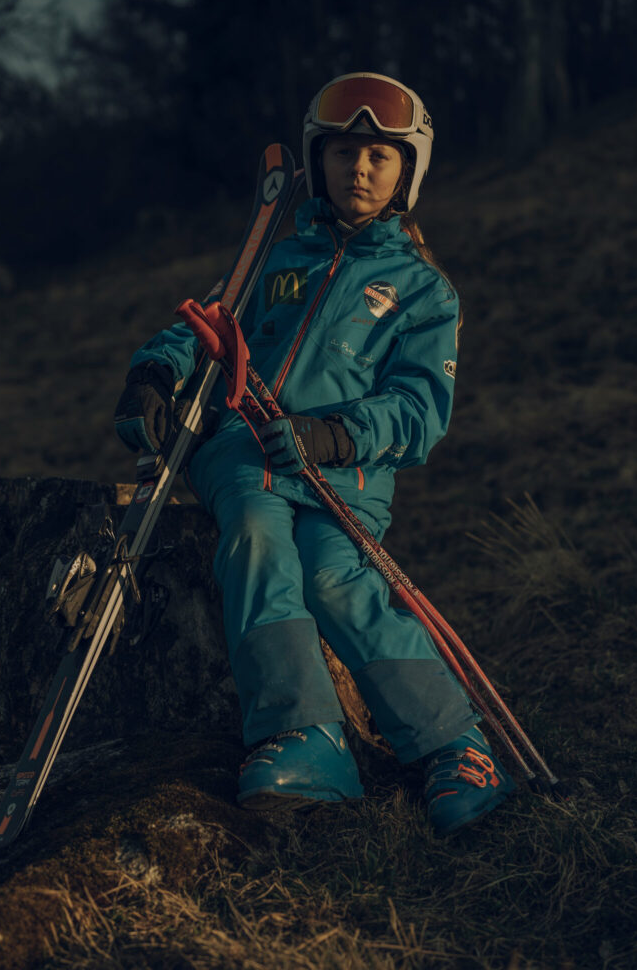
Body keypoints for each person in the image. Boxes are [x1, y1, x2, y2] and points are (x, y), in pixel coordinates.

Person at [114, 72, 514, 835]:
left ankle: (453, 745)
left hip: (342, 474)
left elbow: (420, 410)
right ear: (317, 159)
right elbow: (204, 323)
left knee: (336, 581)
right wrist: (151, 376)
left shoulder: (423, 293)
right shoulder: (272, 256)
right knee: (258, 544)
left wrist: (329, 436)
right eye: (342, 153)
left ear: (407, 173)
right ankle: (304, 734)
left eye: (379, 157)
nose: (359, 169)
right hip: (243, 453)